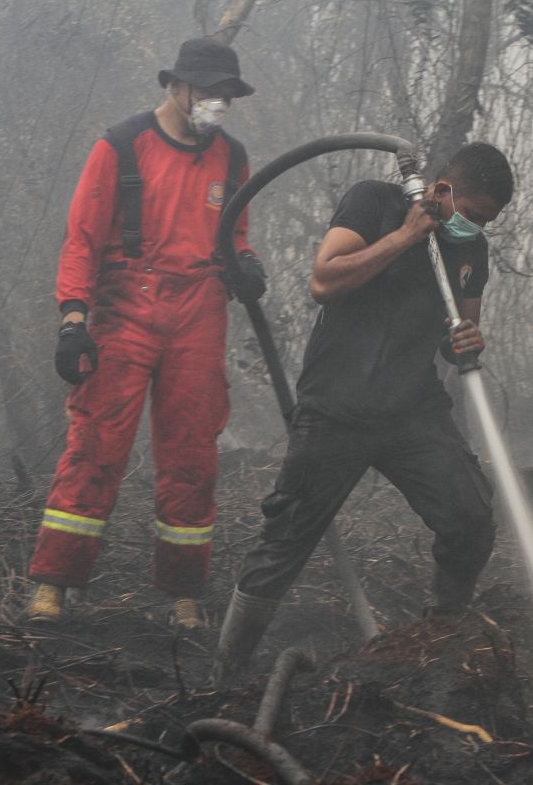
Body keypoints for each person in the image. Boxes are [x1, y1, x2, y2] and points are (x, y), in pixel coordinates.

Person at [214, 142, 515, 679]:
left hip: (411, 411)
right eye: (472, 214)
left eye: (487, 221)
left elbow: (457, 335)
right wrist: (404, 238)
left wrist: (469, 339)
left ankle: (443, 637)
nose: (476, 227)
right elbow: (324, 281)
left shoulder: (471, 251)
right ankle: (227, 670)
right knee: (285, 540)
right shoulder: (374, 202)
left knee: (470, 513)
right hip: (336, 405)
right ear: (443, 191)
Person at [24, 38, 266, 628]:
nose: (217, 104)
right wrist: (73, 319)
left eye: (226, 95)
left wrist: (247, 263)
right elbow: (81, 238)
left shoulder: (233, 160)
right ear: (176, 87)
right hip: (125, 304)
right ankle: (55, 585)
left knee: (192, 453)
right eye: (208, 92)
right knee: (96, 444)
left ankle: (184, 593)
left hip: (200, 310)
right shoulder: (120, 146)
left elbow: (235, 237)